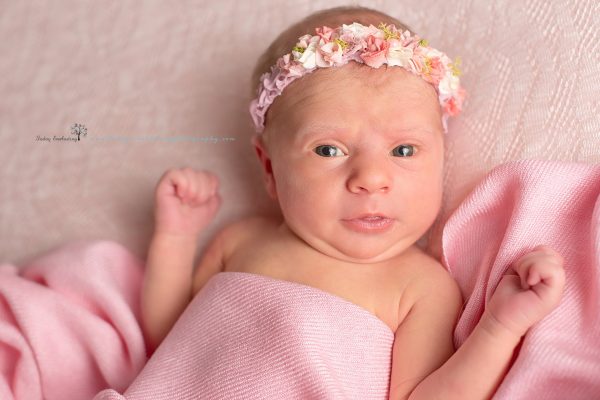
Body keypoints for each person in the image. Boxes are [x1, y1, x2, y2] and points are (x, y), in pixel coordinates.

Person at [140, 6, 565, 399]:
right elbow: (170, 338)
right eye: (329, 150)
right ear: (269, 168)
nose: (371, 179)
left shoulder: (420, 287)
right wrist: (176, 236)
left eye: (403, 151)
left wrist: (500, 327)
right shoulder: (242, 241)